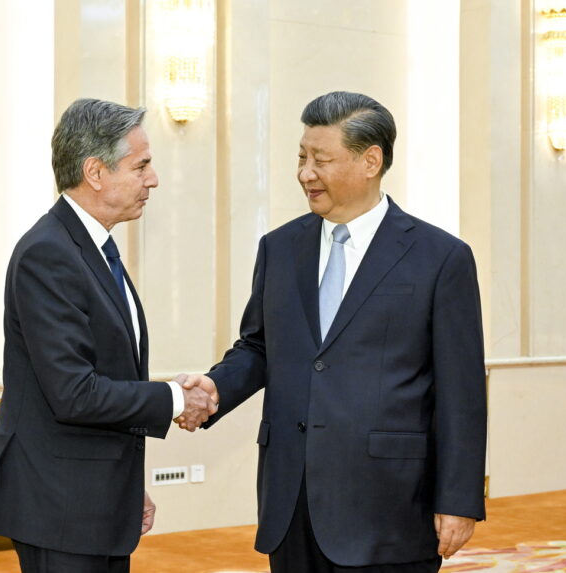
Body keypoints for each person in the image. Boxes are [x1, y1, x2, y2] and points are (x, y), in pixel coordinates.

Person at [178, 91, 487, 573]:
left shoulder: (440, 258)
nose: (305, 173)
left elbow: (461, 390)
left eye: (320, 160)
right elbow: (259, 346)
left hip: (390, 506)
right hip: (291, 500)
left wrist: (460, 497)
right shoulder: (279, 248)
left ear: (370, 161)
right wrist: (217, 385)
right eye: (301, 157)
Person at [0, 98, 217, 573]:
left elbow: (107, 372)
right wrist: (174, 399)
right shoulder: (48, 254)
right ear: (95, 171)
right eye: (142, 166)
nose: (153, 180)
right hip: (59, 508)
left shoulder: (93, 248)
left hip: (94, 499)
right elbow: (74, 393)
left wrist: (127, 485)